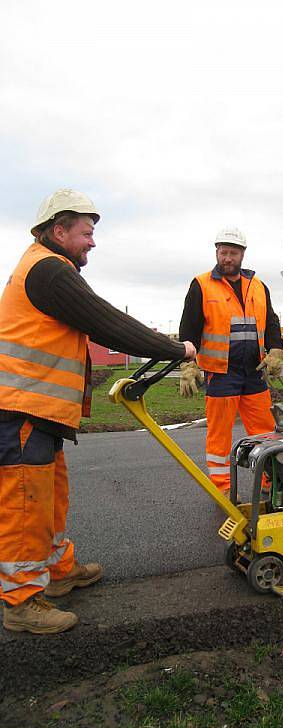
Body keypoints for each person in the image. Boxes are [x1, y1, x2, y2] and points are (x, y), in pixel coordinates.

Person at [0, 189, 196, 635]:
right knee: (26, 507)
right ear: (59, 230)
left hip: (39, 411)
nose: (92, 242)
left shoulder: (50, 266)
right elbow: (106, 321)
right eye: (86, 233)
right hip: (22, 410)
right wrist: (175, 348)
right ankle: (21, 601)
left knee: (50, 502)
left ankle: (57, 572)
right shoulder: (48, 270)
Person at [179, 227, 283, 496]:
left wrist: (275, 350)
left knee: (265, 432)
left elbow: (271, 322)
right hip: (221, 373)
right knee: (219, 436)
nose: (227, 258)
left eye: (233, 253)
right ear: (216, 252)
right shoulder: (201, 284)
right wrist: (188, 363)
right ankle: (223, 490)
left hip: (255, 372)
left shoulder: (258, 286)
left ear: (242, 255)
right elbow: (189, 327)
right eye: (223, 252)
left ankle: (269, 482)